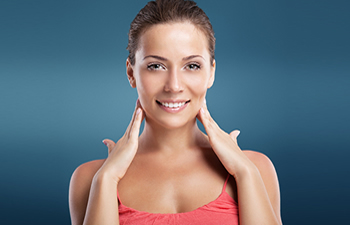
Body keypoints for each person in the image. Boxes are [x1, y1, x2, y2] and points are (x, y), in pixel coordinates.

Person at [69, 0, 282, 224]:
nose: (174, 85)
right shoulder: (91, 178)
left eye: (191, 66)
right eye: (155, 66)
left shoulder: (255, 168)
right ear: (131, 73)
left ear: (211, 73)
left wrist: (244, 172)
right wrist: (107, 178)